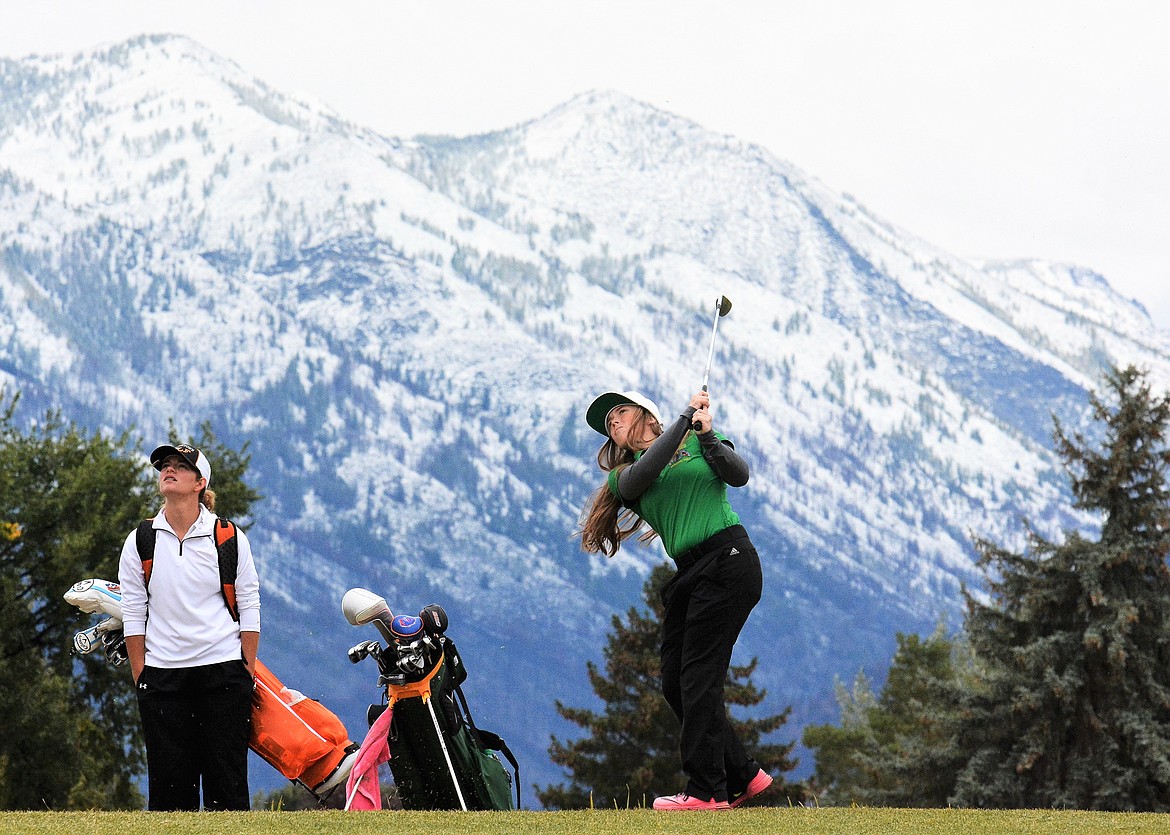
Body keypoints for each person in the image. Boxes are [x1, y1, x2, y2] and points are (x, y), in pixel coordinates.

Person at [580, 389, 773, 811]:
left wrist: (705, 435)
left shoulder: (697, 440)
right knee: (674, 680)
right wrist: (685, 420)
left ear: (645, 412)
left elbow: (738, 475)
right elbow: (646, 470)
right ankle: (742, 774)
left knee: (698, 677)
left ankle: (707, 791)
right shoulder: (625, 476)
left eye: (619, 414)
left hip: (728, 559)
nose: (613, 426)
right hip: (691, 573)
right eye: (609, 426)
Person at [118, 443, 261, 811]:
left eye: (180, 465)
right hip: (163, 677)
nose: (169, 469)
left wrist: (246, 667)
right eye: (165, 465)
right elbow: (132, 610)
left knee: (226, 790)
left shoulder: (229, 538)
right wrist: (141, 673)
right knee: (169, 796)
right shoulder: (141, 539)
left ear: (200, 482)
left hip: (224, 674)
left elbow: (249, 604)